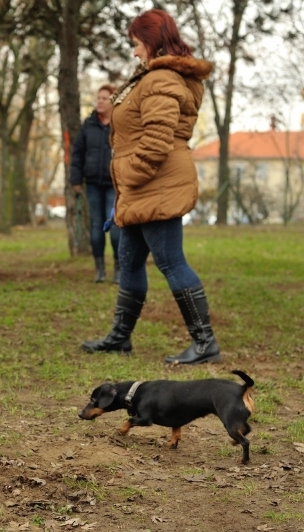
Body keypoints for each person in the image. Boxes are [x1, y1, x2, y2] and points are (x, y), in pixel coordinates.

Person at [80, 9, 219, 365]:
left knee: (171, 261)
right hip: (143, 186)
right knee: (129, 259)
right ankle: (120, 338)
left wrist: (130, 177)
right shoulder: (155, 77)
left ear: (152, 42)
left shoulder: (161, 80)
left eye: (137, 44)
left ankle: (205, 344)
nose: (134, 51)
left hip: (157, 183)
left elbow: (156, 141)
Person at [70, 85, 121, 283]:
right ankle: (99, 268)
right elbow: (77, 154)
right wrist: (76, 179)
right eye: (98, 97)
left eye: (104, 98)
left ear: (113, 102)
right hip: (92, 184)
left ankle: (118, 267)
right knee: (97, 227)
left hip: (114, 185)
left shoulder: (120, 125)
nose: (99, 101)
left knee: (115, 227)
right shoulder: (88, 125)